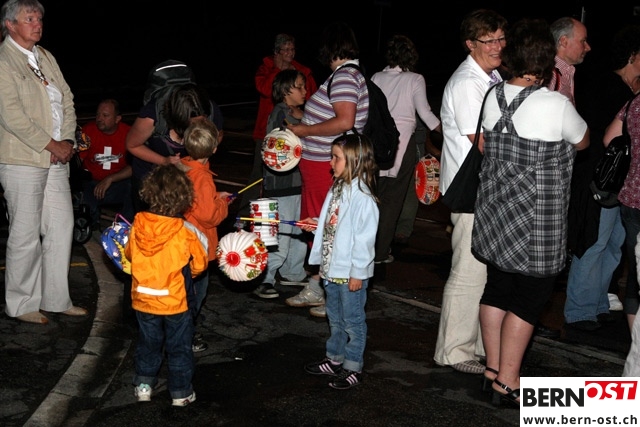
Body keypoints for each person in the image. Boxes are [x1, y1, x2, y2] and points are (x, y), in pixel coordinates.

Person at [472, 18, 589, 406]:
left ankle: (492, 370)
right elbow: (583, 140)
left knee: (497, 289)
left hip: (495, 213)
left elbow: (486, 143)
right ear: (546, 61)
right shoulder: (555, 104)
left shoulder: (493, 96)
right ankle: (508, 381)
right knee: (529, 299)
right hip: (537, 221)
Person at [0, 0, 87, 324]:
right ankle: (21, 304)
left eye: (39, 18)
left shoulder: (45, 56)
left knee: (62, 226)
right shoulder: (4, 60)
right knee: (25, 232)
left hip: (56, 156)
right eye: (29, 19)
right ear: (10, 25)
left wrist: (67, 142)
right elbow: (11, 116)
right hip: (22, 158)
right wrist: (50, 144)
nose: (37, 24)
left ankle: (56, 299)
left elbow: (66, 98)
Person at [435, 9, 507, 375]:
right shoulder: (467, 82)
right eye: (489, 40)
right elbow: (482, 142)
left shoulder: (491, 76)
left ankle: (478, 344)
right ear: (470, 44)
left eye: (501, 38)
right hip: (470, 189)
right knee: (468, 271)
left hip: (485, 188)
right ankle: (454, 350)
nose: (498, 46)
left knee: (485, 271)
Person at [286, 22, 369, 318]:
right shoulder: (346, 75)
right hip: (322, 165)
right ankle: (318, 286)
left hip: (326, 165)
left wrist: (305, 130)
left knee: (324, 228)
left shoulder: (344, 76)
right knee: (320, 227)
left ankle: (332, 293)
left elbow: (345, 121)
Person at [564, 24, 639, 332]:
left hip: (623, 184)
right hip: (603, 179)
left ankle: (596, 304)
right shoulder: (608, 86)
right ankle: (579, 311)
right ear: (634, 55)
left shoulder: (628, 90)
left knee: (613, 245)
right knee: (594, 242)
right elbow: (601, 136)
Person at [124, 83, 214, 326]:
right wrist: (164, 161)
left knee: (174, 249)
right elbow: (132, 144)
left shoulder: (205, 109)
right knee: (152, 245)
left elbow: (214, 137)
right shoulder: (152, 115)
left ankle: (170, 307)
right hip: (156, 182)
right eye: (194, 124)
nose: (200, 126)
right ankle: (148, 309)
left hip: (181, 184)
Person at [299, 133, 379, 390]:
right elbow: (334, 223)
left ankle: (353, 367)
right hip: (331, 269)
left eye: (336, 157)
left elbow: (364, 240)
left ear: (355, 161)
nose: (330, 162)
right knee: (335, 317)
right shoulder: (338, 188)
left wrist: (358, 273)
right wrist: (316, 224)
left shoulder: (363, 198)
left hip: (349, 274)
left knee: (353, 322)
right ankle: (334, 358)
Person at [126, 164, 208, 407]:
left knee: (148, 343)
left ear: (149, 193)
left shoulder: (138, 224)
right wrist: (188, 274)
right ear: (184, 198)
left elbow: (129, 254)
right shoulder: (184, 231)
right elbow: (200, 263)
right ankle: (181, 393)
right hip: (175, 300)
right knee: (179, 347)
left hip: (143, 298)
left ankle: (143, 386)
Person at [370, 34, 442, 264]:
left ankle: (366, 250)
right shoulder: (415, 79)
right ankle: (381, 253)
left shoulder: (376, 77)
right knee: (392, 201)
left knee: (373, 197)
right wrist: (447, 131)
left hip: (376, 145)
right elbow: (426, 114)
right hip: (401, 144)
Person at [241, 33, 317, 217]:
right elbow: (265, 89)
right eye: (286, 49)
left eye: (292, 49)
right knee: (259, 175)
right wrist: (277, 69)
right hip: (266, 132)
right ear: (277, 51)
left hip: (294, 128)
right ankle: (244, 215)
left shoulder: (300, 70)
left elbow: (311, 92)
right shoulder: (267, 67)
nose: (290, 53)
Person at [253, 69, 310, 299]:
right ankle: (264, 278)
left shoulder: (299, 114)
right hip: (281, 185)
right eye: (300, 86)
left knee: (298, 230)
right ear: (286, 90)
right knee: (280, 234)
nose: (305, 91)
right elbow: (279, 147)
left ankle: (293, 272)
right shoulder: (280, 115)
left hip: (298, 184)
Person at [180, 119, 232, 352]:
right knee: (195, 293)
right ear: (214, 148)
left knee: (183, 290)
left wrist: (215, 197)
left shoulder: (183, 167)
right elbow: (209, 216)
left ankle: (182, 328)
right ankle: (187, 336)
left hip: (182, 241)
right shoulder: (202, 177)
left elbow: (196, 203)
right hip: (197, 246)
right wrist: (222, 203)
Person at [604, 58, 640, 333]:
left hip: (631, 198)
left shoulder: (633, 103)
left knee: (636, 276)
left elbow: (609, 139)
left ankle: (636, 344)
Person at [77, 98, 134, 227]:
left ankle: (122, 227)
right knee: (84, 202)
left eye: (105, 115)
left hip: (117, 184)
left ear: (117, 119)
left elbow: (135, 166)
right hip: (91, 183)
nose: (99, 118)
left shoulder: (129, 133)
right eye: (98, 114)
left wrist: (110, 179)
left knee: (134, 187)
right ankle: (89, 225)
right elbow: (78, 161)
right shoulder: (87, 131)